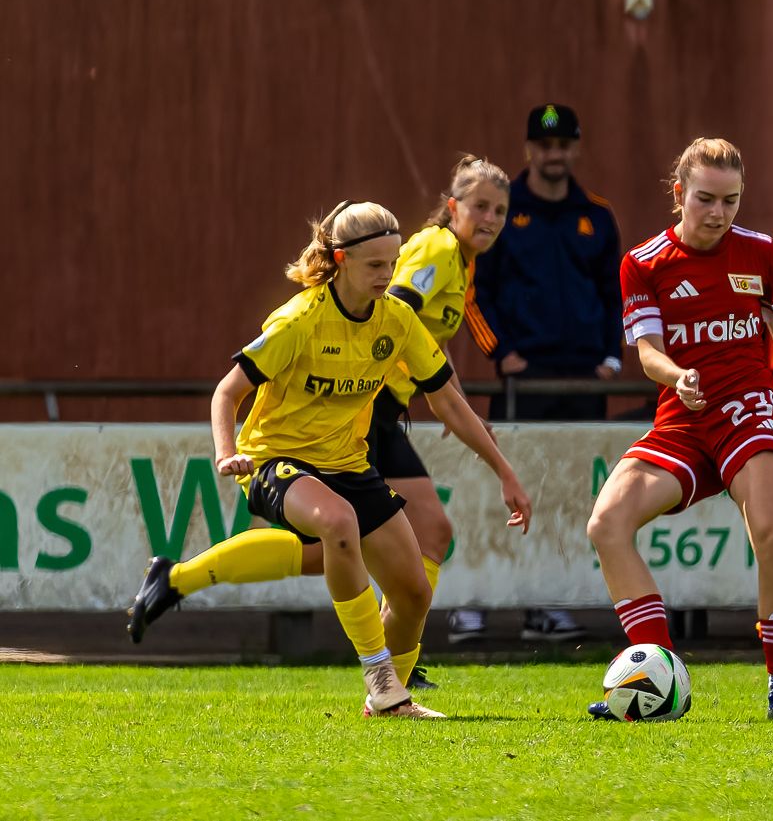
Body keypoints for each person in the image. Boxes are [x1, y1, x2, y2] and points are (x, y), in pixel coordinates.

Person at [128, 200, 532, 718]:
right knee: (336, 525)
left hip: (348, 463)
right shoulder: (299, 319)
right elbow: (227, 392)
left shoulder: (398, 320)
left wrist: (504, 469)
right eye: (374, 266)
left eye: (392, 263)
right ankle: (381, 679)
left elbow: (447, 398)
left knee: (412, 595)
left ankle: (389, 702)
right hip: (273, 460)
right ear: (340, 260)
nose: (388, 276)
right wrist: (226, 453)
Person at [585, 137, 773, 722]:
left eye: (731, 201)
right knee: (607, 523)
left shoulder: (760, 252)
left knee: (771, 535)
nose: (718, 214)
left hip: (748, 411)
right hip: (682, 420)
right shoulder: (642, 262)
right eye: (706, 199)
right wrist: (677, 375)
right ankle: (657, 673)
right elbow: (646, 352)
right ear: (678, 194)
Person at [459, 104, 620, 642]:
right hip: (521, 378)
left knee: (571, 494)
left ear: (576, 148)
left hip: (581, 379)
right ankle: (476, 599)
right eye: (544, 144)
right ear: (529, 149)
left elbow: (616, 296)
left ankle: (545, 605)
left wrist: (611, 358)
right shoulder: (504, 211)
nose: (554, 154)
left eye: (563, 144)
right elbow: (473, 292)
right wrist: (498, 353)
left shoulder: (597, 216)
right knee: (505, 486)